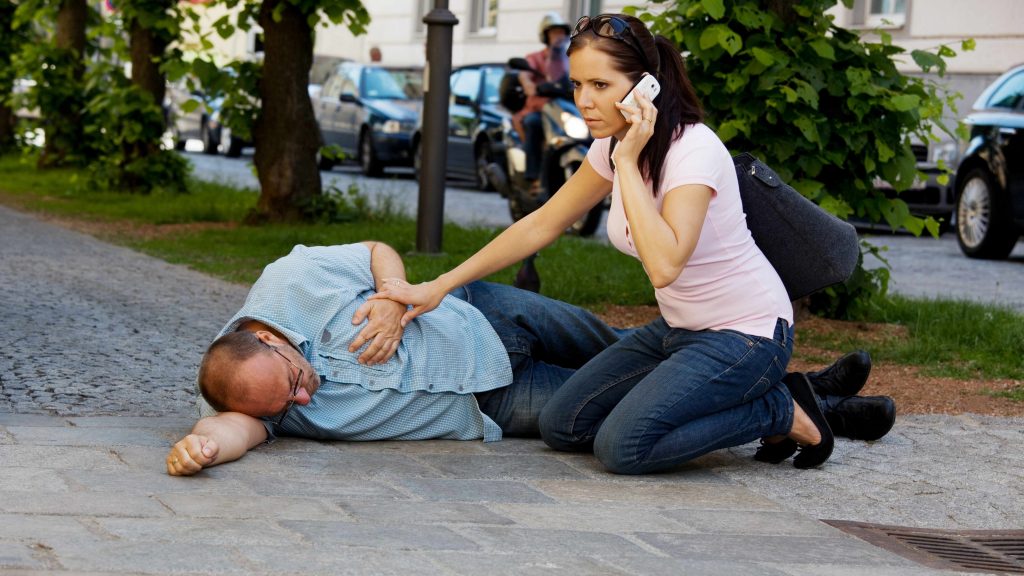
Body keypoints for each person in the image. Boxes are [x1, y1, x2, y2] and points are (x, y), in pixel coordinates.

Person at [372, 14, 852, 473]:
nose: (584, 100)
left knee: (624, 447)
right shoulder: (612, 144)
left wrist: (627, 163)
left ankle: (778, 411)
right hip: (679, 331)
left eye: (600, 86)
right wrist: (438, 285)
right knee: (562, 424)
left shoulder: (693, 151)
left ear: (647, 87)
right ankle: (752, 402)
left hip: (746, 334)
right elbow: (541, 224)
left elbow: (665, 266)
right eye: (579, 84)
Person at [166, 241, 894, 476]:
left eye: (294, 380)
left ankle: (795, 392)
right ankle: (816, 405)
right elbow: (237, 430)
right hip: (492, 402)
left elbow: (377, 251)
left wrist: (390, 293)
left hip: (486, 313)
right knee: (643, 401)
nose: (303, 400)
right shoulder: (245, 399)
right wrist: (202, 447)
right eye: (284, 409)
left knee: (664, 356)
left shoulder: (288, 281)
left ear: (268, 338)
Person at [515, 12, 572, 194]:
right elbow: (524, 75)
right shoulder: (535, 57)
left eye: (561, 32)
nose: (558, 36)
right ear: (545, 36)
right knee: (534, 123)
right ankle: (534, 177)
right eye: (554, 32)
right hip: (540, 108)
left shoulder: (569, 57)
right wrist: (529, 84)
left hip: (564, 108)